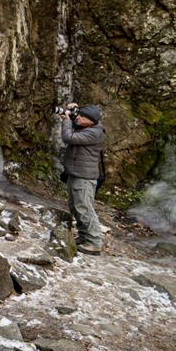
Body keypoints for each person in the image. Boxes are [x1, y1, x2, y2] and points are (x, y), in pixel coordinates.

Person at [60, 103, 106, 255]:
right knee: (75, 207)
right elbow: (76, 123)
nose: (78, 118)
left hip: (84, 178)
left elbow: (68, 137)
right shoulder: (87, 125)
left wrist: (66, 120)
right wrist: (72, 109)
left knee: (85, 208)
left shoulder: (95, 133)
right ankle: (84, 236)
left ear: (90, 120)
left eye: (81, 117)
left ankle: (94, 242)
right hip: (76, 173)